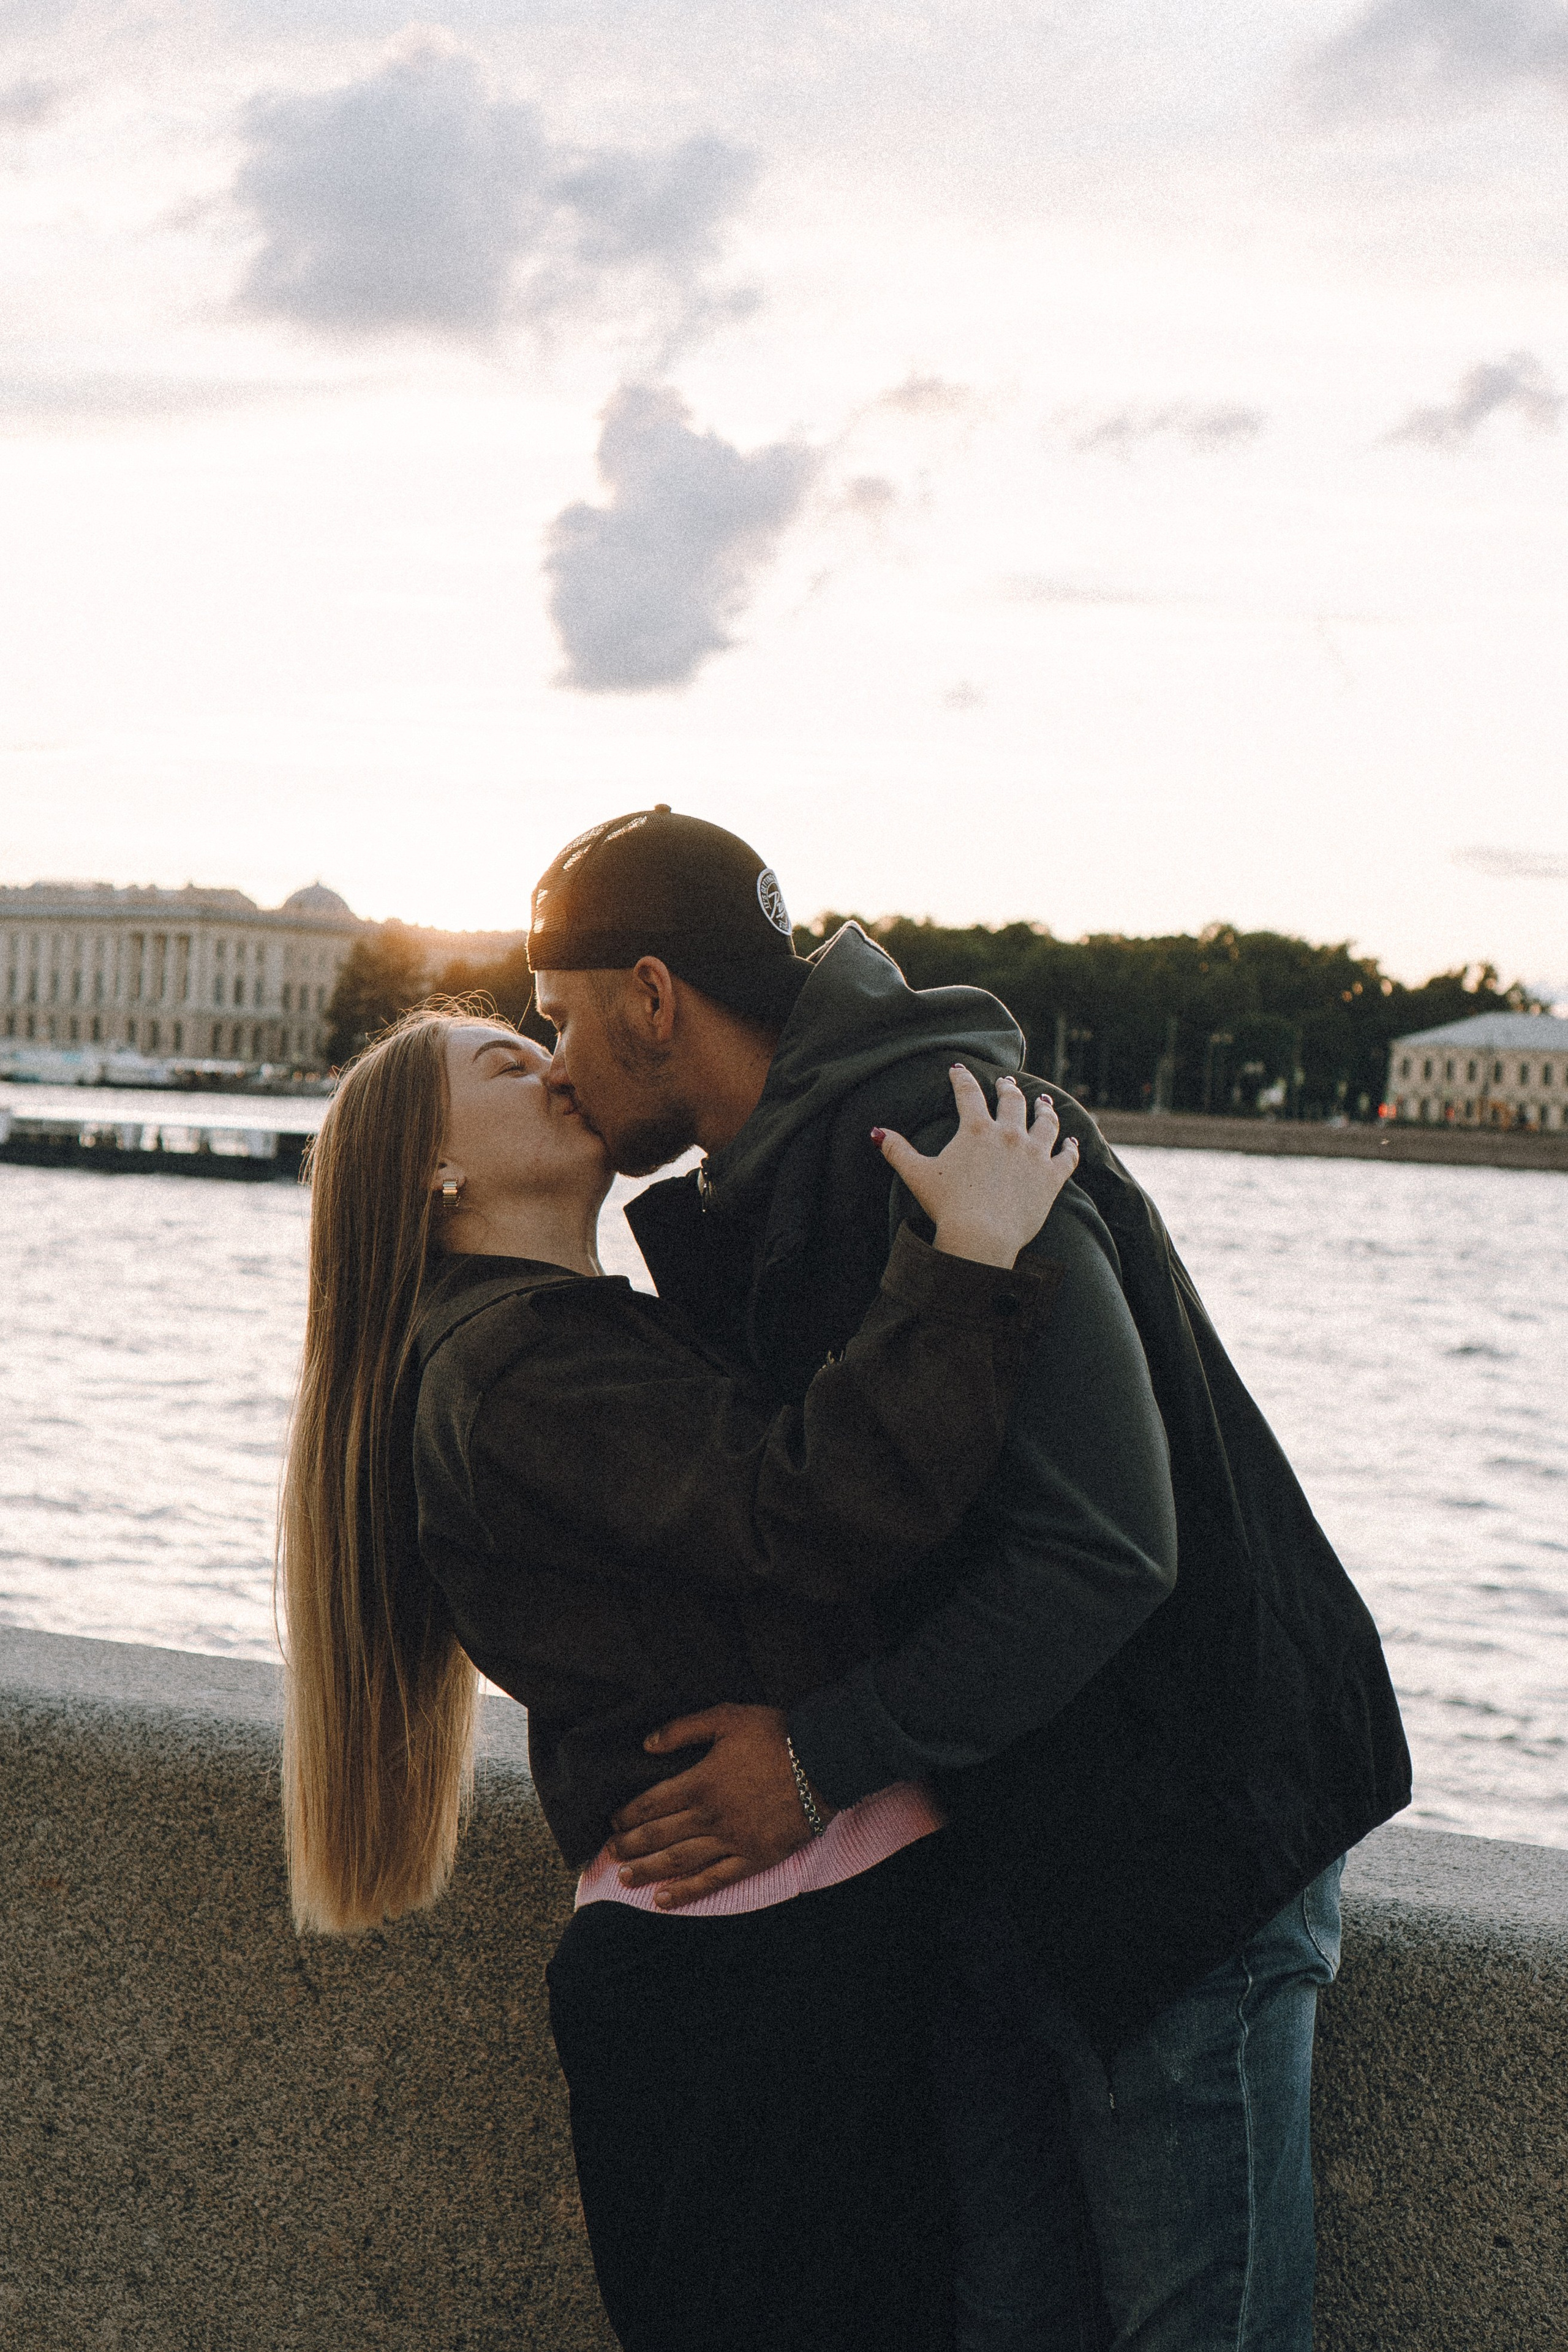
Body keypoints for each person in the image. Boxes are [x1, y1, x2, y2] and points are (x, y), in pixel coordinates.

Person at [527, 805, 1413, 2352]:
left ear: (652, 997)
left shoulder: (941, 1138)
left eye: (556, 1021)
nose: (550, 1067)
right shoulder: (802, 1169)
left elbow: (1102, 1550)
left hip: (1173, 1845)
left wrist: (813, 1764)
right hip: (1022, 1839)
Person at [277, 1001, 1082, 2352]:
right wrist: (975, 1246)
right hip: (758, 1978)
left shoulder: (528, 1341)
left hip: (746, 1965)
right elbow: (815, 1509)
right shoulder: (521, 1364)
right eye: (505, 1063)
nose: (555, 1063)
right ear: (436, 1171)